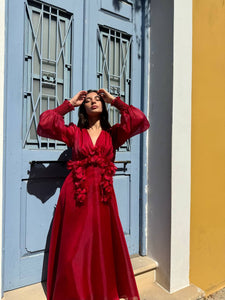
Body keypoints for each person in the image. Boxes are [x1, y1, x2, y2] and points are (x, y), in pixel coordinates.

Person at [37, 88, 150, 300]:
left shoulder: (113, 134)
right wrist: (69, 104)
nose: (92, 102)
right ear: (83, 107)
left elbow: (139, 119)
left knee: (100, 246)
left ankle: (99, 290)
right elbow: (45, 123)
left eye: (97, 99)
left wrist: (114, 100)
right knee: (74, 248)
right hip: (75, 195)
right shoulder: (75, 133)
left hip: (102, 197)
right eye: (87, 100)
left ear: (103, 104)